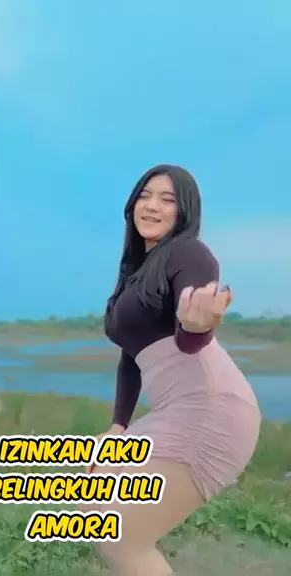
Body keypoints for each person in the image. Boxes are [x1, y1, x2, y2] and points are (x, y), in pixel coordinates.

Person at [78, 164, 261, 575]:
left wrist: (197, 327)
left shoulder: (188, 254)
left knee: (119, 537)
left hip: (210, 409)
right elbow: (132, 354)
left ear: (185, 211)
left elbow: (189, 337)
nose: (152, 206)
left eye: (167, 199)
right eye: (144, 196)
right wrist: (119, 425)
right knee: (93, 503)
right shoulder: (136, 271)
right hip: (177, 408)